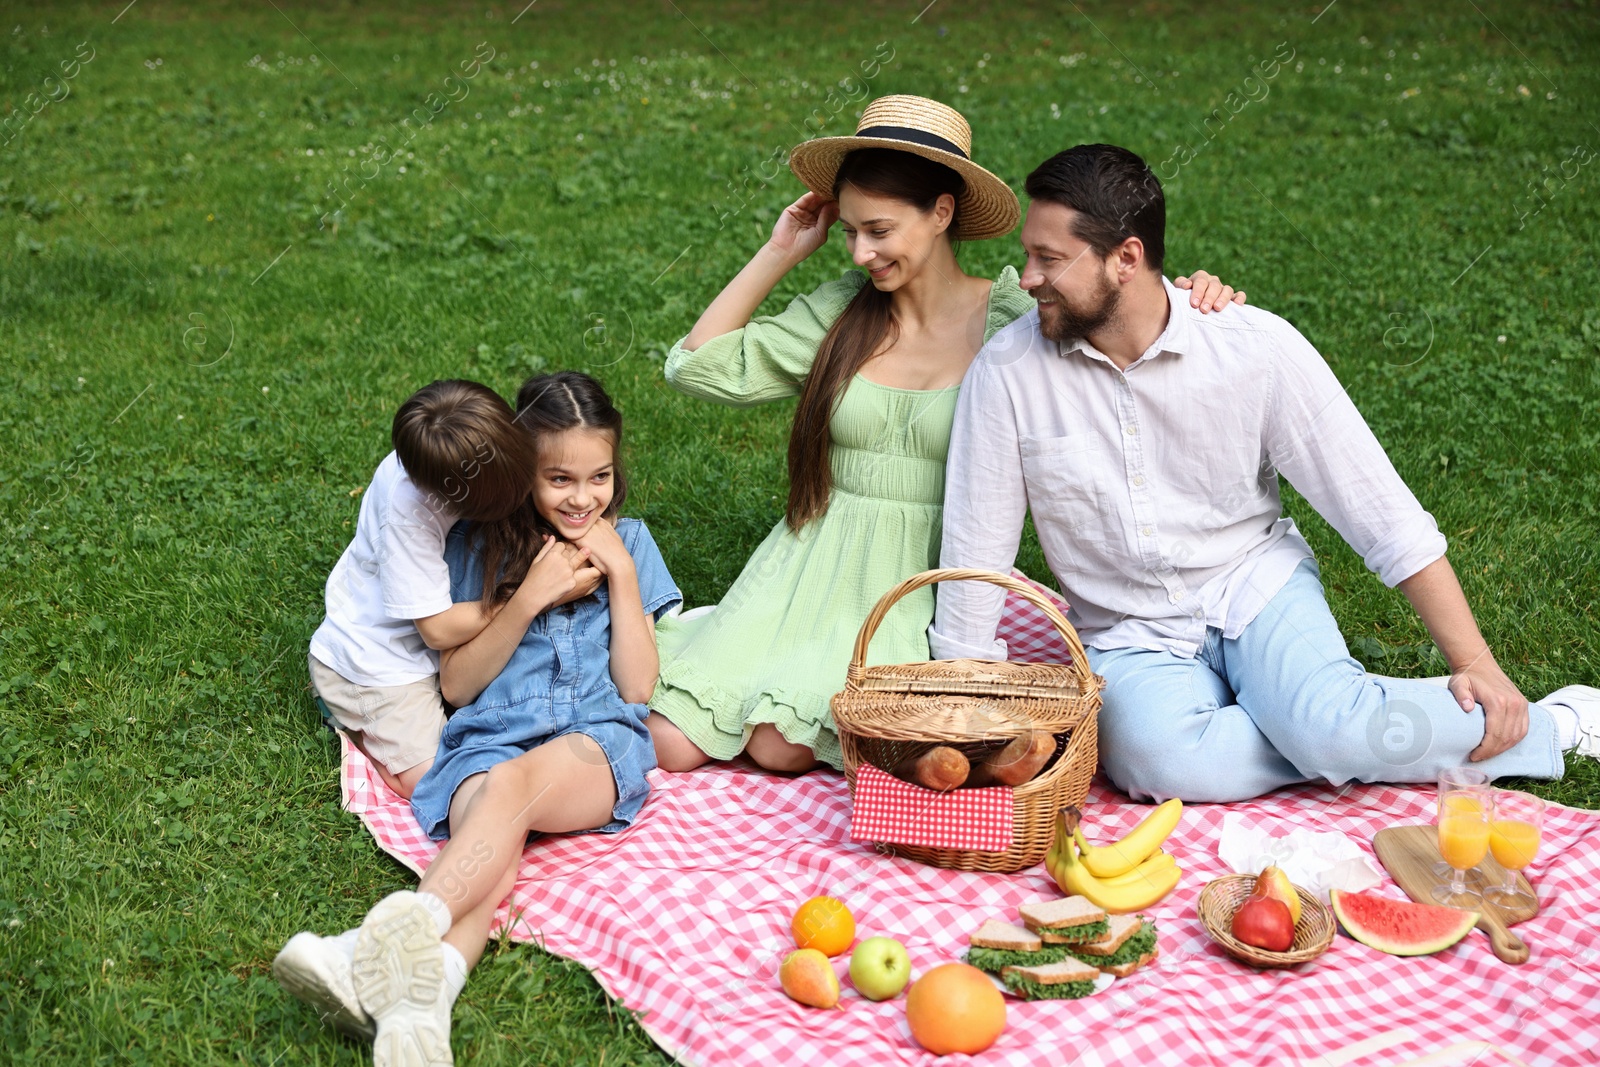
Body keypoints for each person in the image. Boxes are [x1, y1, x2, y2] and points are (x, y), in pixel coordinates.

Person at [930, 143, 1600, 803]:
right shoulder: (1008, 374)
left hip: (1254, 585)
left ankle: (1553, 724)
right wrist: (958, 715)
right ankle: (1323, 725)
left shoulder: (1252, 347)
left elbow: (1379, 510)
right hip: (1129, 630)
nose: (1027, 276)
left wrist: (1475, 662)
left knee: (1326, 727)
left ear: (1126, 259)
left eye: (1049, 258)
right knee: (1158, 761)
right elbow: (975, 549)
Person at [645, 96, 1244, 776]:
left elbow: (1125, 338)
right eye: (849, 231)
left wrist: (1196, 301)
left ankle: (944, 742)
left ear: (940, 213)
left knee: (781, 746)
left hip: (919, 580)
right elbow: (697, 368)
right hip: (808, 563)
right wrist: (780, 250)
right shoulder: (844, 311)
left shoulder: (1015, 320)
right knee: (670, 738)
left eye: (878, 230)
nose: (861, 251)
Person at [275, 371, 681, 1065]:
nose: (583, 497)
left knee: (514, 789)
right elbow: (458, 686)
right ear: (524, 474)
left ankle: (376, 943)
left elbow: (638, 686)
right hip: (481, 744)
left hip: (590, 746)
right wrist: (527, 598)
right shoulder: (475, 547)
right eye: (559, 478)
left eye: (600, 476)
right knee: (497, 826)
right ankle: (422, 1004)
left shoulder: (631, 542)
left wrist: (623, 576)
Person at [308, 379, 540, 800]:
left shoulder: (444, 450)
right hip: (377, 666)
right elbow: (435, 629)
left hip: (427, 655)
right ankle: (358, 726)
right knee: (439, 781)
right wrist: (527, 594)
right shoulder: (410, 513)